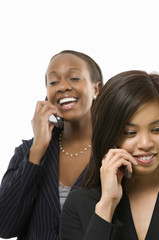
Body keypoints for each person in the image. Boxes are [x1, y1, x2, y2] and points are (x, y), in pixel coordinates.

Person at [60, 70, 159, 239]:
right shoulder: (78, 204)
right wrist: (107, 205)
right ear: (108, 135)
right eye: (130, 132)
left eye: (157, 129)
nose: (145, 144)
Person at [0, 50, 103, 239]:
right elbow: (4, 227)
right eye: (53, 82)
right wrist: (37, 149)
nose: (63, 87)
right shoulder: (27, 152)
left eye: (74, 78)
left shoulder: (113, 153)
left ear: (96, 89)